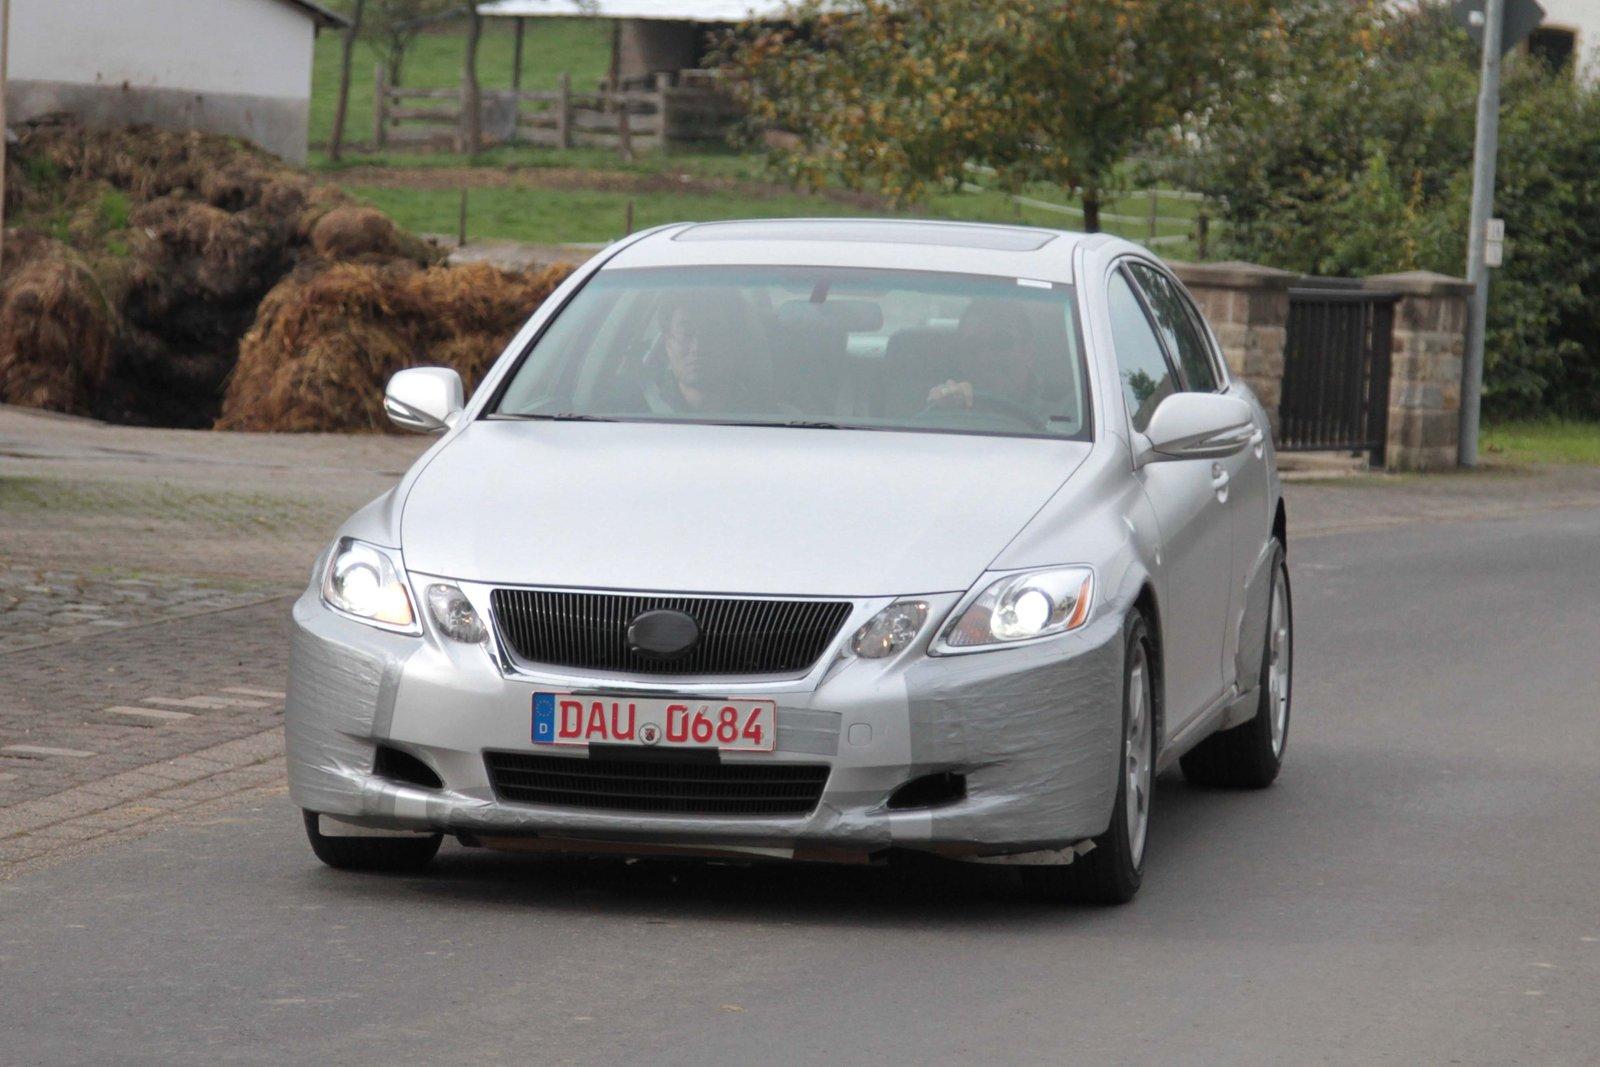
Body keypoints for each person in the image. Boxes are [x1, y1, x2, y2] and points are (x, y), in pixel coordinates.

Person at [925, 301, 1042, 415]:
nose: (986, 358)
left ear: (1029, 352)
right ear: (960, 356)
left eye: (1001, 342)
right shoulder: (942, 414)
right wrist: (939, 409)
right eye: (973, 345)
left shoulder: (1057, 418)